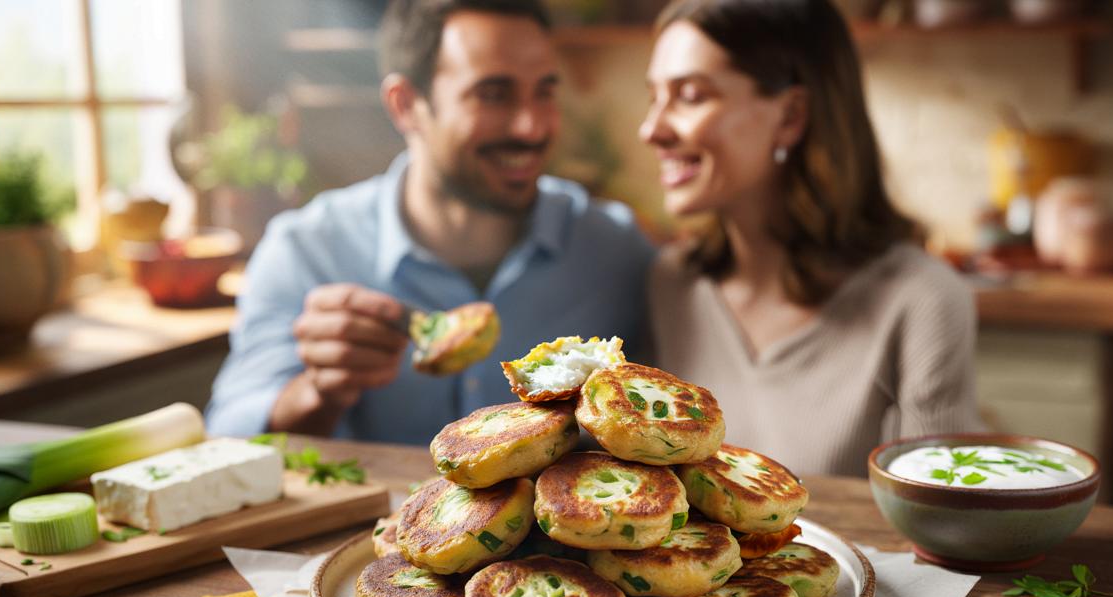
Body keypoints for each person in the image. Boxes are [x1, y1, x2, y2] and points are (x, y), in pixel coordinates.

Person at [206, 0, 653, 443]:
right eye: (493, 94)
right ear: (405, 105)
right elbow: (229, 435)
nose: (531, 126)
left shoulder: (614, 249)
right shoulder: (306, 252)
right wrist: (320, 389)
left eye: (545, 91)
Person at [640, 0, 982, 479]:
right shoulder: (672, 284)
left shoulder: (921, 300)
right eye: (653, 96)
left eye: (691, 95)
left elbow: (945, 518)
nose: (651, 129)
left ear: (791, 115)